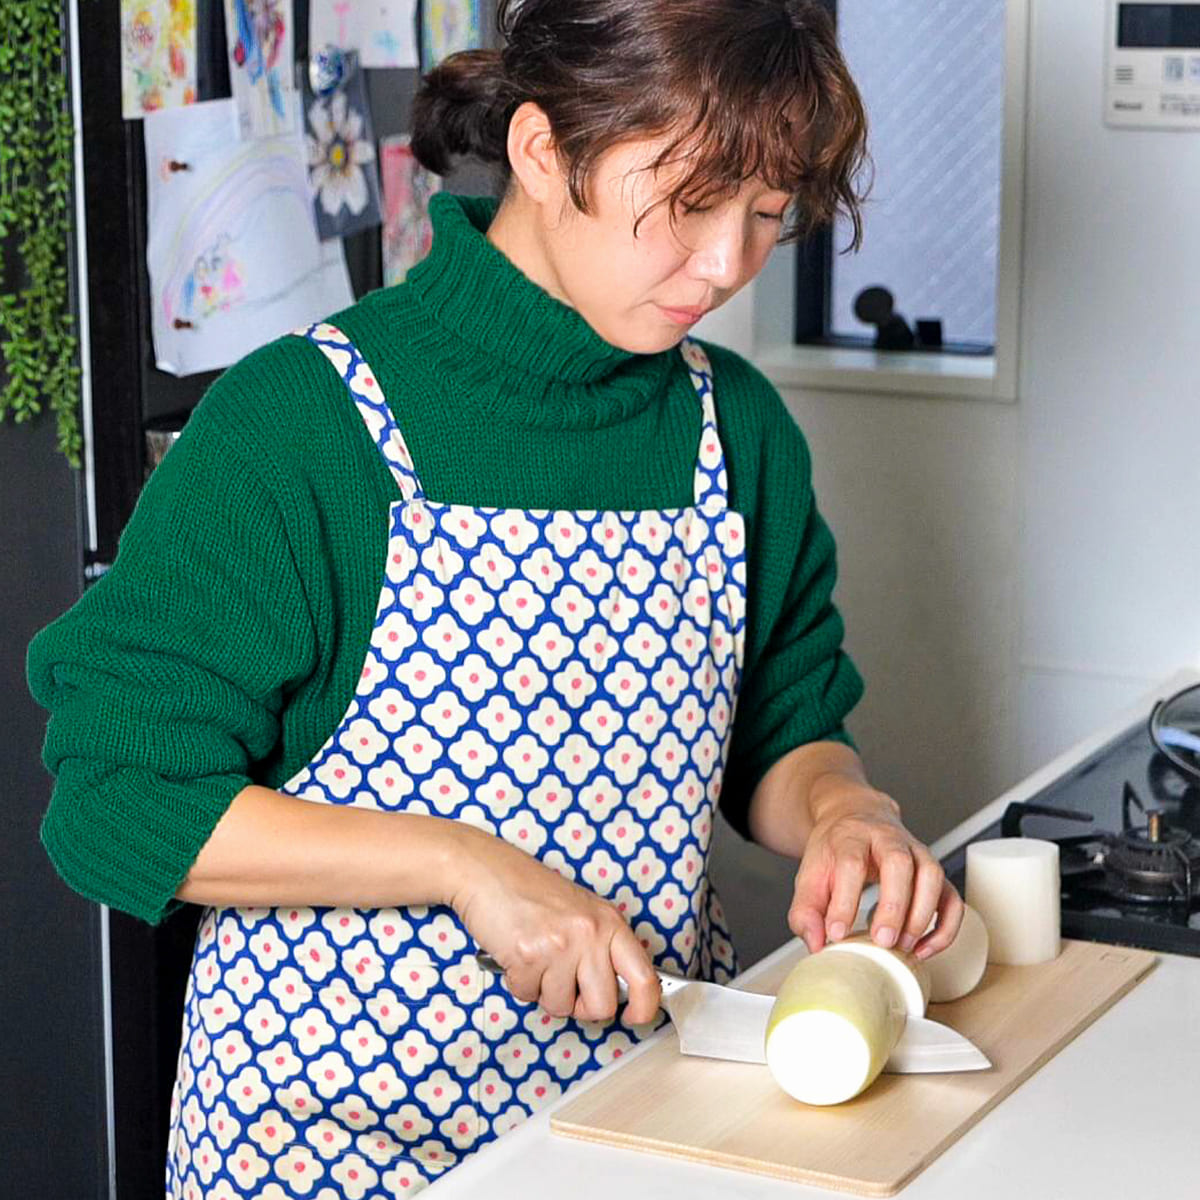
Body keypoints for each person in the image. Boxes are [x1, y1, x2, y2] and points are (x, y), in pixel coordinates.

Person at [28, 0, 964, 1194]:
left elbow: (784, 722)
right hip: (328, 1142)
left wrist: (842, 812)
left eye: (769, 217)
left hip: (644, 1113)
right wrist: (467, 866)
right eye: (687, 204)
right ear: (539, 150)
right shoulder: (302, 428)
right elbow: (118, 798)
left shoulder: (736, 429)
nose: (727, 263)